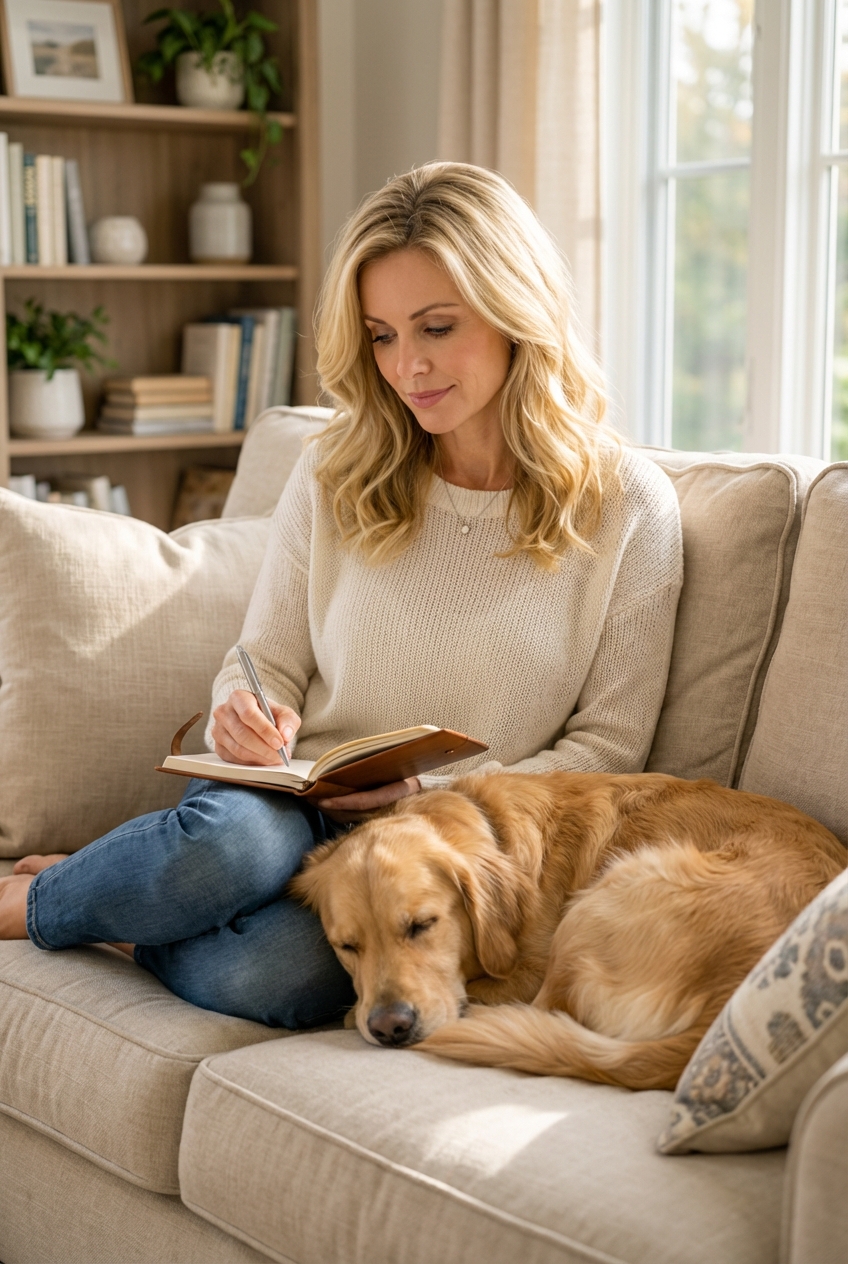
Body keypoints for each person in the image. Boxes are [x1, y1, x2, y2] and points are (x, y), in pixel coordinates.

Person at [0, 163, 683, 1028]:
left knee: (280, 980)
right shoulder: (338, 467)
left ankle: (122, 903)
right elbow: (265, 657)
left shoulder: (628, 506)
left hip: (441, 841)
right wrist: (247, 708)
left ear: (520, 314)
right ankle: (40, 905)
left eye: (437, 327)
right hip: (285, 803)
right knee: (226, 846)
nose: (409, 366)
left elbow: (613, 748)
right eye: (382, 335)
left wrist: (427, 799)